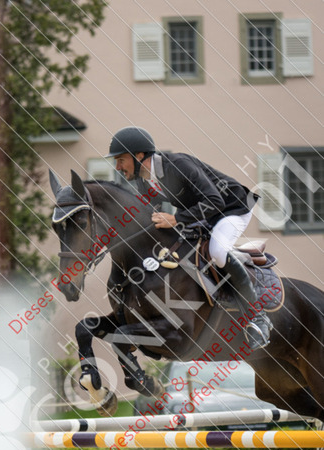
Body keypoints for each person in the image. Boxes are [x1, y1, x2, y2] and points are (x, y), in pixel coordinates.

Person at [106, 126, 272, 350]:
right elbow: (151, 215)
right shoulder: (143, 180)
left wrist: (176, 219)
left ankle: (258, 317)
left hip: (232, 208)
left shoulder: (178, 165)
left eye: (121, 160)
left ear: (139, 156)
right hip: (202, 216)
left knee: (217, 251)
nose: (117, 167)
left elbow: (215, 201)